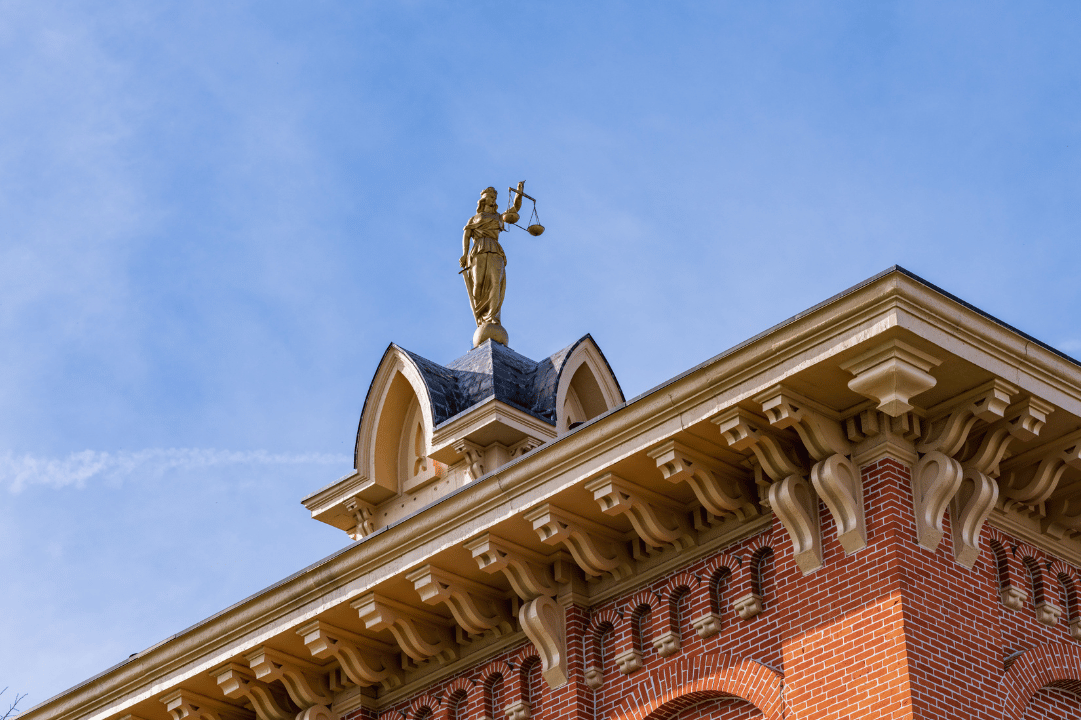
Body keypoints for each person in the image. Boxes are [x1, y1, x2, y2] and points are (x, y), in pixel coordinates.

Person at [460, 182, 524, 343]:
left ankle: (493, 318)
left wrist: (519, 193)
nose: (493, 199)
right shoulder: (475, 218)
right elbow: (467, 235)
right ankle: (482, 319)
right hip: (479, 249)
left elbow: (515, 209)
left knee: (496, 282)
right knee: (478, 285)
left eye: (494, 197)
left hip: (495, 249)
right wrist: (464, 254)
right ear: (483, 199)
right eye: (490, 196)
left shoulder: (498, 217)